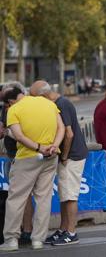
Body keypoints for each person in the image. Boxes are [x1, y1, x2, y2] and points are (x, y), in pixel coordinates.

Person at [0, 87, 64, 251]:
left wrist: (39, 148)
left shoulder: (14, 110)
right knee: (43, 198)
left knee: (16, 198)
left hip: (26, 158)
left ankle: (11, 240)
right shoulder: (48, 103)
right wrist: (53, 146)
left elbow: (19, 136)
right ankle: (38, 240)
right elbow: (61, 127)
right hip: (51, 156)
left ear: (10, 101)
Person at [30, 81, 89, 246]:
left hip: (72, 156)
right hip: (69, 155)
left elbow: (68, 134)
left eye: (34, 98)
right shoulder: (57, 103)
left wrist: (64, 156)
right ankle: (63, 229)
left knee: (70, 196)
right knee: (64, 195)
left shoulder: (62, 104)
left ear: (42, 96)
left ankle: (71, 232)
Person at [0, 83, 34, 246]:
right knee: (21, 195)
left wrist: (8, 133)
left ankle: (23, 232)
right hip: (12, 154)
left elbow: (23, 134)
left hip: (21, 154)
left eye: (7, 102)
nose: (5, 106)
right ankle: (26, 231)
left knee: (21, 195)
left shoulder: (19, 109)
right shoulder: (7, 109)